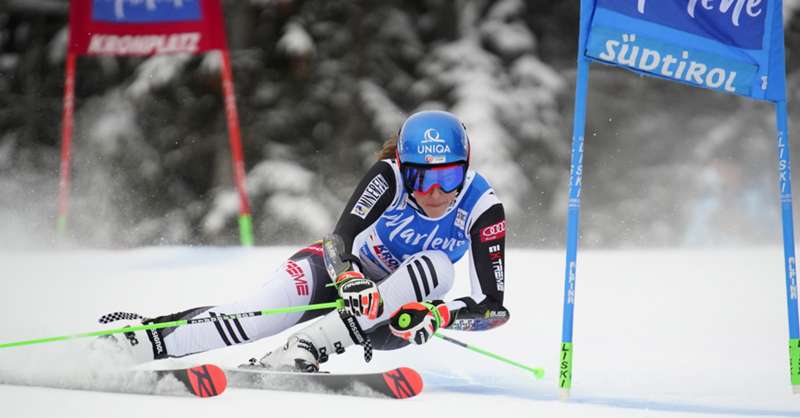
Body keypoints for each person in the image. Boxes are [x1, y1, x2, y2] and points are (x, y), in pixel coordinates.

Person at [107, 110, 508, 372]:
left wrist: (440, 316)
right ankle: (137, 341)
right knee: (252, 319)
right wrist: (350, 278)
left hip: (392, 317)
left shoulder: (482, 207)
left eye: (449, 178)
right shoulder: (388, 176)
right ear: (405, 168)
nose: (436, 192)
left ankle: (307, 346)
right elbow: (338, 240)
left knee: (439, 267)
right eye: (422, 178)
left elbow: (493, 308)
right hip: (336, 276)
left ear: (467, 167)